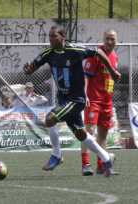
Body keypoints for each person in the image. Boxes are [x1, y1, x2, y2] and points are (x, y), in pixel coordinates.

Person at [23, 25, 121, 177]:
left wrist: (113, 72)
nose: (50, 39)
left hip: (76, 100)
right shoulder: (48, 53)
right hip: (63, 100)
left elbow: (99, 52)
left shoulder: (75, 50)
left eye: (54, 36)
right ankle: (107, 158)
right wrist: (27, 69)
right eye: (49, 36)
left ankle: (57, 155)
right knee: (81, 135)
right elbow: (31, 69)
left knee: (50, 119)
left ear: (63, 37)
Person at [81, 30, 119, 176]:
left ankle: (101, 165)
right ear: (103, 39)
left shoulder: (115, 56)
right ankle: (86, 164)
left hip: (107, 102)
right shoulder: (95, 54)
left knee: (103, 135)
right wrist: (84, 94)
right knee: (88, 132)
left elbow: (109, 77)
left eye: (113, 39)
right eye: (107, 39)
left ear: (116, 40)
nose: (110, 42)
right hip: (94, 100)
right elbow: (86, 76)